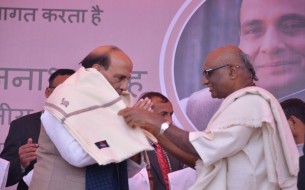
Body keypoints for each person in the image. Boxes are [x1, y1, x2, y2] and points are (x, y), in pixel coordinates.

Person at [119, 45, 299, 190]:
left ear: (232, 71)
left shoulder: (251, 102)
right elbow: (204, 160)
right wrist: (155, 131)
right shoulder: (243, 103)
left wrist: (157, 122)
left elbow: (204, 147)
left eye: (209, 72)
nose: (204, 81)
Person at [29, 45, 152, 190]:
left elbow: (130, 171)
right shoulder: (62, 100)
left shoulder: (116, 104)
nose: (125, 86)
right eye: (120, 78)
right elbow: (77, 157)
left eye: (128, 79)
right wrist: (126, 130)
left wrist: (139, 130)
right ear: (96, 70)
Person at [183, 0, 305, 131]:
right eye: (253, 30)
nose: (270, 46)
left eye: (292, 26)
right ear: (240, 39)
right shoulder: (198, 107)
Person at [0, 69, 75, 190]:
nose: (67, 96)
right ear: (48, 91)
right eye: (61, 90)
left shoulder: (86, 128)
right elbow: (3, 176)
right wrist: (21, 163)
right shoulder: (22, 126)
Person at [128, 92, 196, 190]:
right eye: (163, 114)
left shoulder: (177, 144)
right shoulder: (133, 145)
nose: (169, 120)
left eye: (170, 114)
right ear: (145, 114)